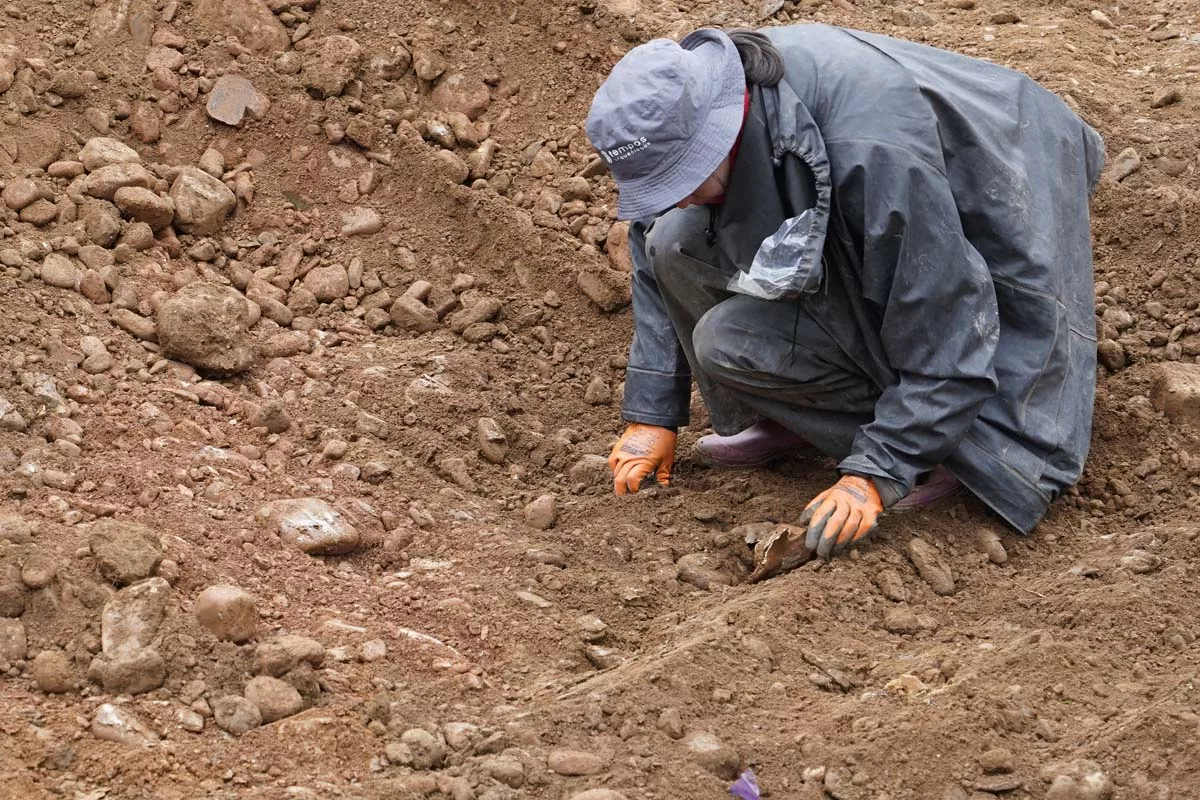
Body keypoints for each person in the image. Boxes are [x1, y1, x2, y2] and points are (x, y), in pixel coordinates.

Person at [587, 23, 1106, 560]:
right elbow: (653, 233)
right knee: (677, 242)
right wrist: (651, 412)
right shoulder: (709, 101)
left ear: (720, 136)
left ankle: (945, 449)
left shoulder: (877, 156)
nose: (677, 197)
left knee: (941, 345)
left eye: (682, 179)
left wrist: (877, 472)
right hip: (859, 179)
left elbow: (950, 324)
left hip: (1003, 177)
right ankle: (795, 414)